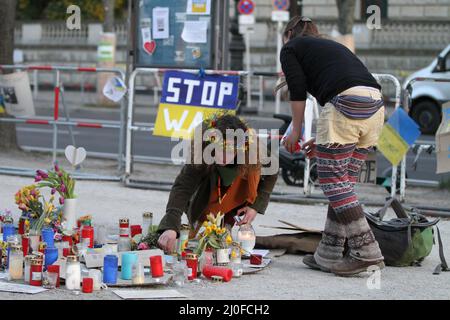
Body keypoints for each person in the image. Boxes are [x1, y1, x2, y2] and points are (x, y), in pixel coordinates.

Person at [278, 16, 385, 276]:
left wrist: (296, 129)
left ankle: (367, 251)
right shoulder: (331, 47)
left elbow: (297, 90)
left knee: (332, 181)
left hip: (345, 105)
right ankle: (328, 253)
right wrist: (325, 142)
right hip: (375, 107)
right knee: (343, 183)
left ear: (290, 32)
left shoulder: (291, 48)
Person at [157, 114, 278, 253]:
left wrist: (256, 206)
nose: (224, 157)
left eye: (231, 152)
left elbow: (272, 171)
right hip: (210, 186)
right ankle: (199, 221)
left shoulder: (251, 148)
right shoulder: (202, 150)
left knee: (249, 174)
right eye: (221, 150)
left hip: (237, 187)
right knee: (201, 203)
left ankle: (227, 223)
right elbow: (183, 186)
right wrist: (171, 225)